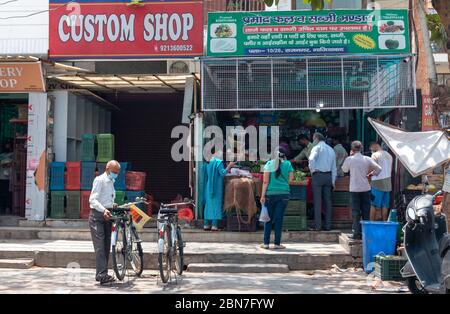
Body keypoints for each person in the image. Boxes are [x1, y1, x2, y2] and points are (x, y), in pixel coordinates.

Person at [89, 160, 121, 285]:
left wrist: (112, 205)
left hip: (108, 216)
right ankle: (101, 274)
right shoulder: (99, 180)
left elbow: (106, 199)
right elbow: (93, 200)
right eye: (114, 172)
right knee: (100, 246)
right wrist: (103, 209)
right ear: (107, 169)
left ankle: (103, 274)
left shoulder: (111, 182)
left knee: (107, 245)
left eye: (117, 172)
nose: (116, 175)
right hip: (97, 217)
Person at [342, 141, 382, 240]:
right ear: (361, 148)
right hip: (365, 188)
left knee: (355, 212)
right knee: (365, 212)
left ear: (352, 149)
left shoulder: (350, 159)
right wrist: (371, 174)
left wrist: (350, 156)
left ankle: (356, 233)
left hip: (354, 188)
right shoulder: (367, 159)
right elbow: (379, 169)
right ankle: (366, 234)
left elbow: (344, 170)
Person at [260, 147, 294, 249]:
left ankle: (266, 243)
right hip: (284, 194)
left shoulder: (269, 164)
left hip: (270, 195)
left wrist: (262, 195)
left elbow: (265, 182)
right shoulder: (288, 164)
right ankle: (277, 244)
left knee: (268, 219)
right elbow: (291, 180)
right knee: (279, 219)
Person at [308, 133, 337, 231]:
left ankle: (318, 226)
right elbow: (334, 168)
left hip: (318, 175)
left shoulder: (316, 148)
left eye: (313, 139)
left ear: (316, 138)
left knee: (317, 201)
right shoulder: (331, 150)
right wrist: (333, 181)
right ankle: (328, 226)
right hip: (328, 176)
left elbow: (311, 159)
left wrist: (312, 170)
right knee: (328, 202)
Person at [204, 151, 235, 231]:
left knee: (208, 205)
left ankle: (206, 224)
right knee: (216, 205)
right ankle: (214, 225)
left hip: (208, 186)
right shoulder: (218, 162)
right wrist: (229, 166)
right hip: (216, 187)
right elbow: (222, 173)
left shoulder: (209, 162)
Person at [369, 142, 393, 221]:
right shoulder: (389, 156)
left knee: (374, 205)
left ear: (374, 146)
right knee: (385, 206)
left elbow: (373, 169)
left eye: (371, 149)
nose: (371, 151)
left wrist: (369, 175)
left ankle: (372, 224)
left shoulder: (375, 155)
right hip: (388, 183)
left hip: (377, 183)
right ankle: (384, 223)